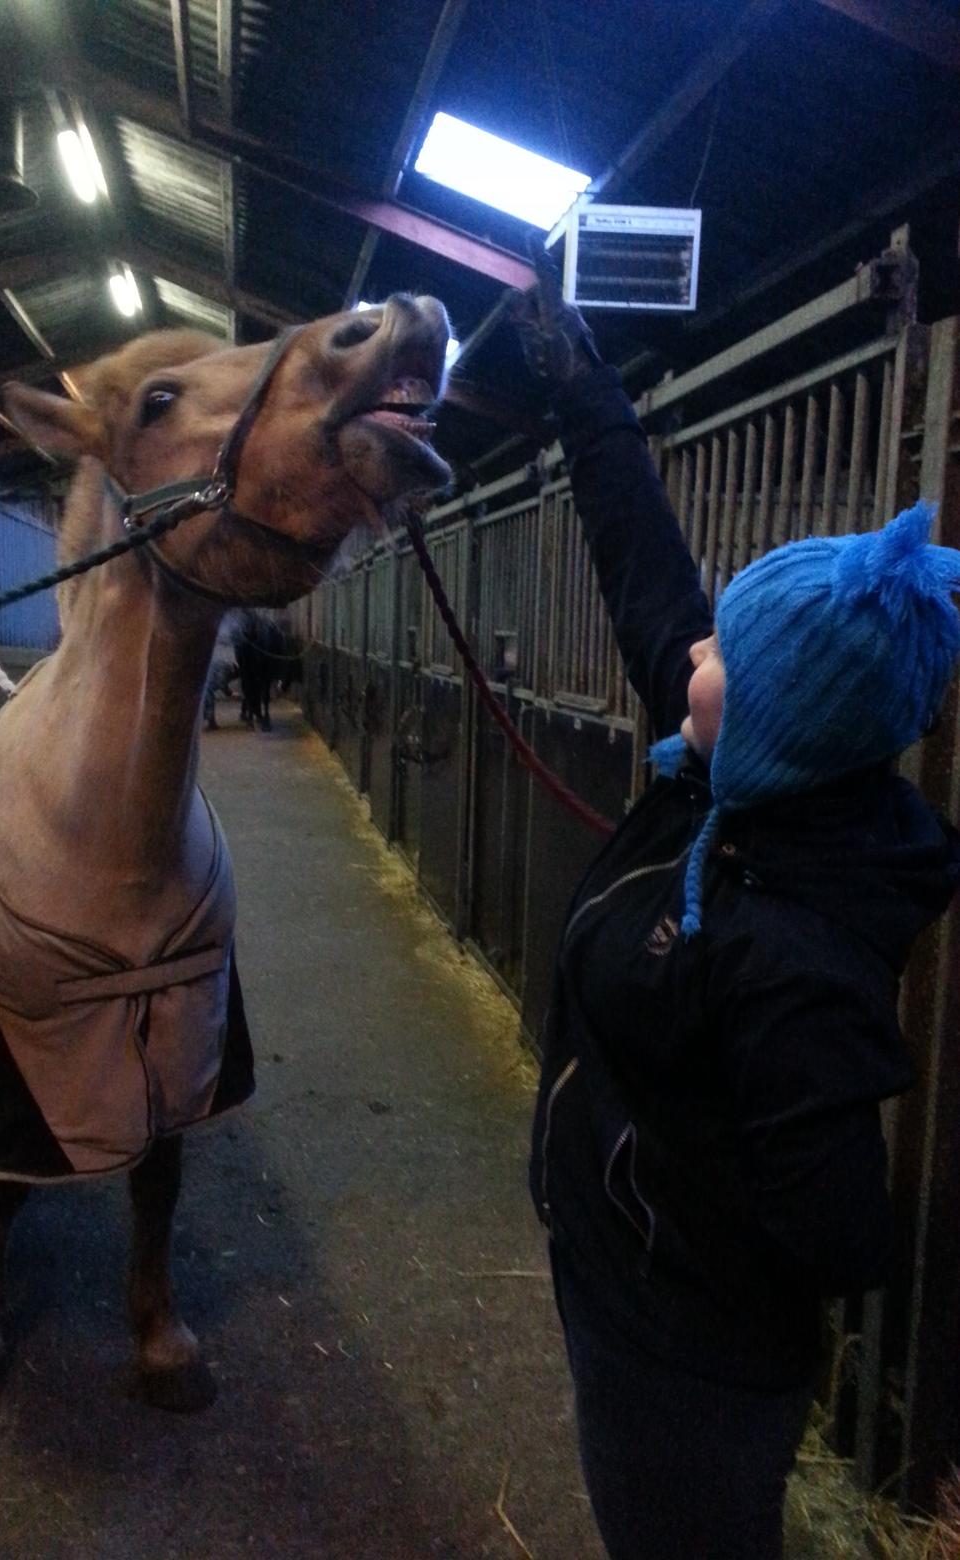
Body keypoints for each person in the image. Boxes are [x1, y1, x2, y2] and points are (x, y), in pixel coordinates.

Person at [510, 254, 960, 1559]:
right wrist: (585, 398)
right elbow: (646, 570)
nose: (692, 651)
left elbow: (832, 1226)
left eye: (723, 655)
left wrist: (663, 1178)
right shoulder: (730, 773)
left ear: (775, 712)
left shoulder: (792, 946)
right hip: (613, 1281)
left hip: (683, 1353)